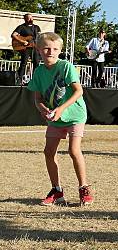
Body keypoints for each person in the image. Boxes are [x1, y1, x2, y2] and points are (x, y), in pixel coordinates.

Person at [27, 32, 93, 206]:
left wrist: (61, 108)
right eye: (47, 48)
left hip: (75, 115)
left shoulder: (66, 67)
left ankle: (83, 188)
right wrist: (42, 109)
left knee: (73, 150)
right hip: (55, 118)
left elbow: (79, 91)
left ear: (60, 51)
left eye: (55, 49)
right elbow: (37, 98)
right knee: (49, 152)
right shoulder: (39, 71)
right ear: (39, 50)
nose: (51, 52)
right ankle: (57, 190)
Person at [12, 13, 42, 85]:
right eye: (28, 18)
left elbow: (39, 36)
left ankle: (35, 80)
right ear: (25, 19)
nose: (30, 19)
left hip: (34, 47)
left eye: (31, 18)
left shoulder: (36, 27)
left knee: (36, 63)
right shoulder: (21, 27)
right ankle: (19, 80)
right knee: (23, 63)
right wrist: (22, 41)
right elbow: (13, 35)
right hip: (25, 48)